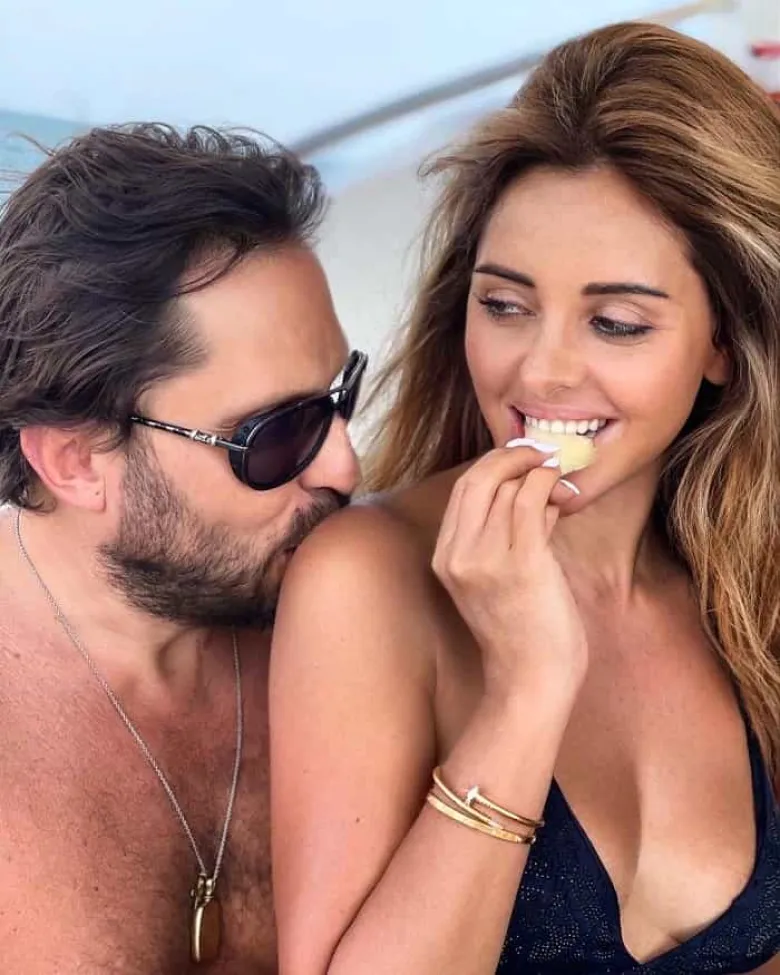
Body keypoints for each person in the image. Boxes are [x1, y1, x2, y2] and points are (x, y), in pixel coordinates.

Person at [270, 21, 780, 975]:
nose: (540, 371)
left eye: (615, 322)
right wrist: (526, 691)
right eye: (504, 305)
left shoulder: (748, 592)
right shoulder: (365, 579)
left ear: (722, 341)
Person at [0, 123, 364, 973]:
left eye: (340, 399)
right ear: (76, 461)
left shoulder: (341, 632)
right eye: (276, 435)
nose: (344, 466)